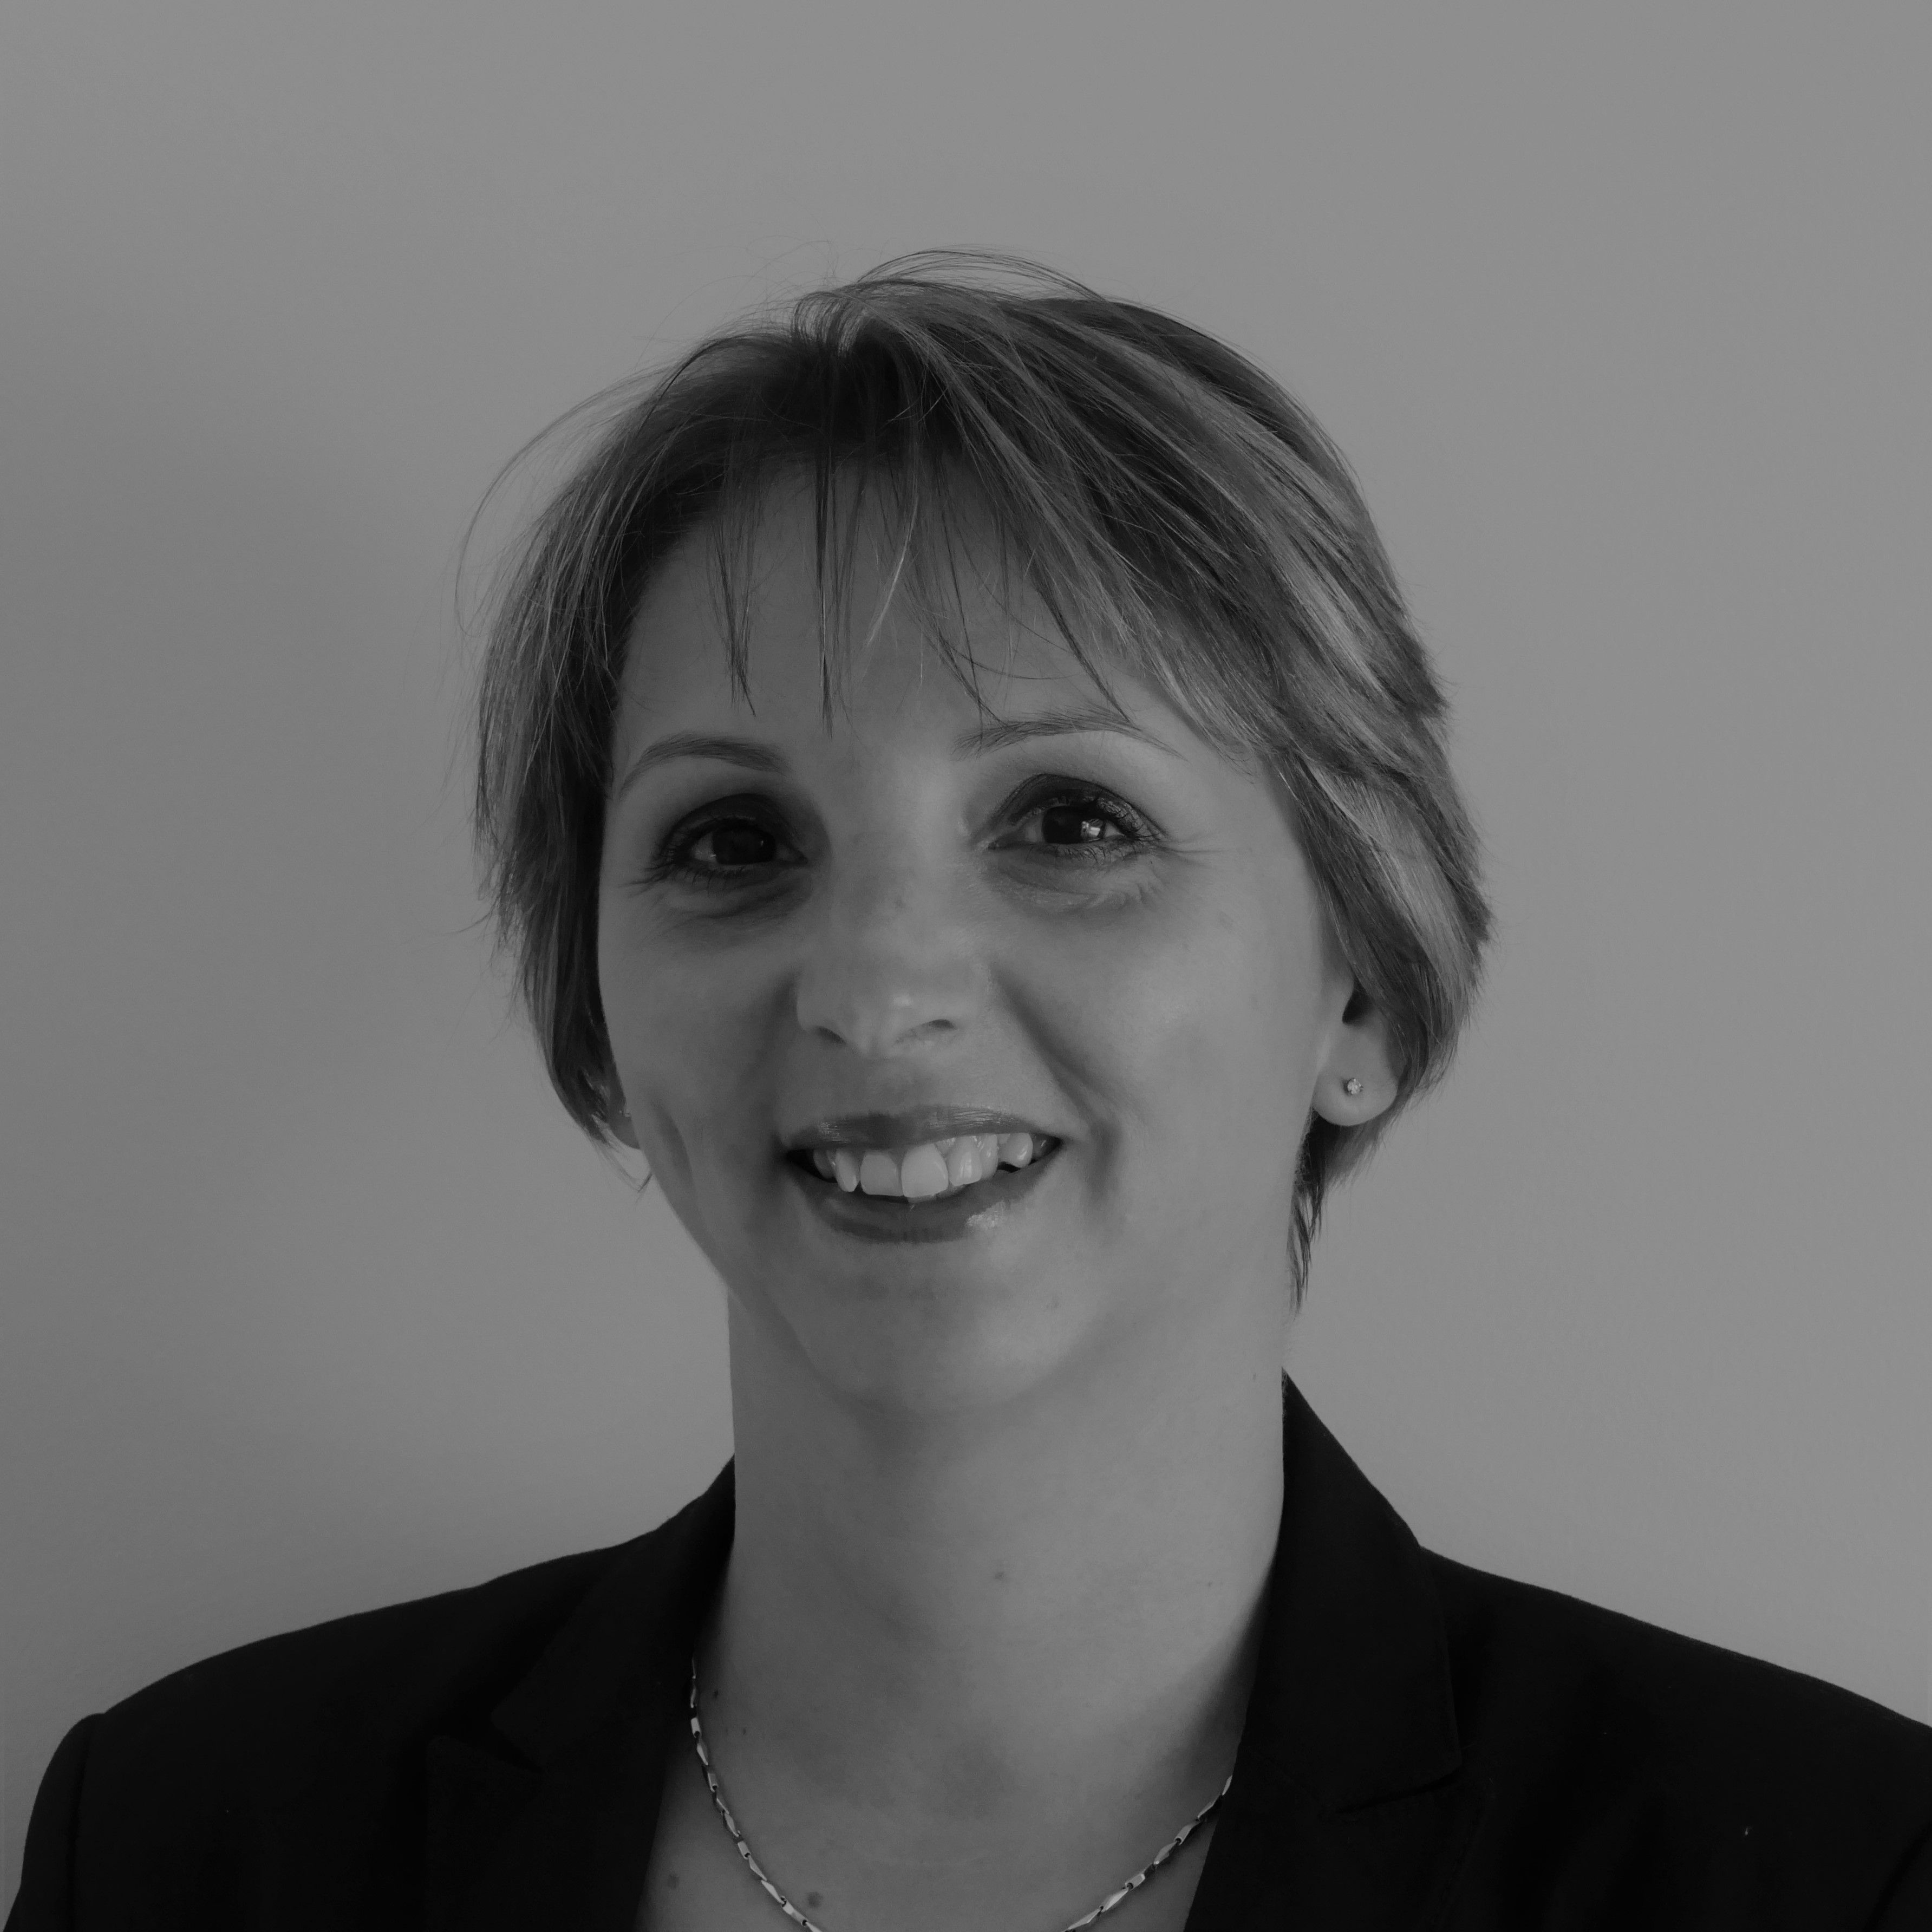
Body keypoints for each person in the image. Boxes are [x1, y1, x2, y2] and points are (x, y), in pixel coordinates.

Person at [10, 254, 1931, 1931]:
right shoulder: (192, 1849)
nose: (873, 991)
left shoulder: (1831, 1879)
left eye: (1071, 821)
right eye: (732, 840)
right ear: (595, 996)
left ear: (1361, 975)